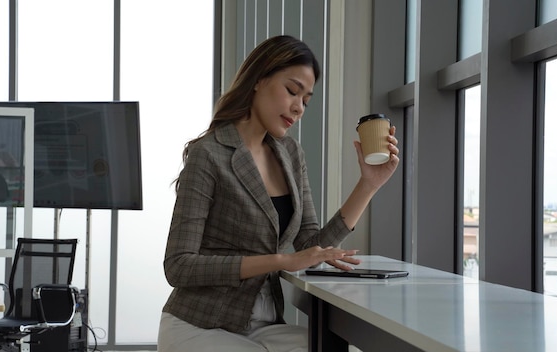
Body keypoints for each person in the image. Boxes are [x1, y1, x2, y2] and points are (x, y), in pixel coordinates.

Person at [158, 35, 399, 352]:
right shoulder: (210, 153)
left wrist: (368, 185)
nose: (299, 107)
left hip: (264, 325)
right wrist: (282, 260)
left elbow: (309, 246)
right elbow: (179, 266)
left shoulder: (290, 154)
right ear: (259, 80)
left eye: (306, 100)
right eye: (292, 91)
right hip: (199, 325)